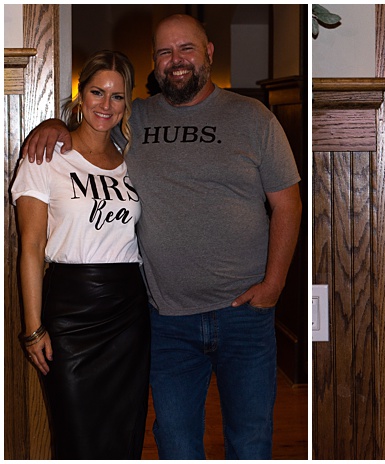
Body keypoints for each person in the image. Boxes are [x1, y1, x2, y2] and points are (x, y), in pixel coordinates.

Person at [23, 14, 302, 460]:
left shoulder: (253, 117)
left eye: (186, 49)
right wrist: (51, 125)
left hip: (244, 316)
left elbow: (288, 204)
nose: (177, 61)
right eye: (165, 52)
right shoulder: (133, 121)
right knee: (174, 443)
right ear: (154, 64)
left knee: (250, 443)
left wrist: (274, 286)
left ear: (209, 52)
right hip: (166, 319)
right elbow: (88, 126)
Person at [11, 50, 147, 459]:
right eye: (96, 92)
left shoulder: (133, 161)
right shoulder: (45, 158)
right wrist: (33, 328)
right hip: (70, 313)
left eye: (117, 96)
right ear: (79, 94)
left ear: (127, 103)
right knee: (77, 438)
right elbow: (31, 248)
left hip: (128, 312)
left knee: (125, 436)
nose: (106, 105)